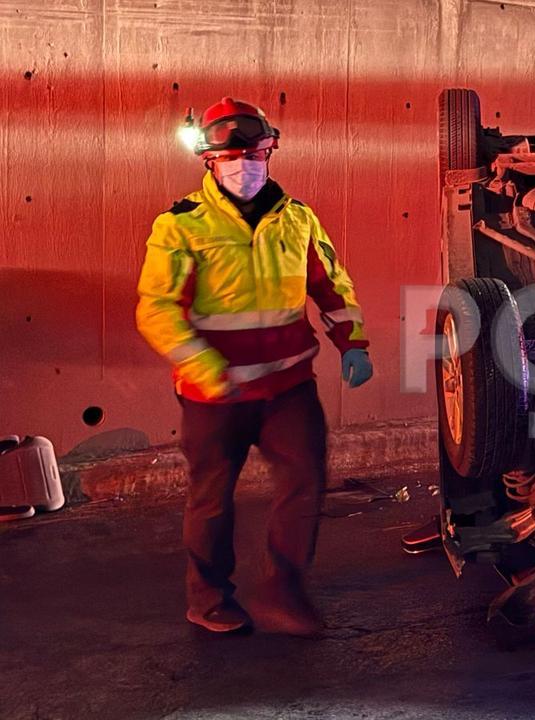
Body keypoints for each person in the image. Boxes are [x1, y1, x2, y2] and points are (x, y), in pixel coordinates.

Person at [135, 97, 373, 636]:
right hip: (213, 395)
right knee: (212, 498)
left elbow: (331, 285)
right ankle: (209, 598)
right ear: (210, 163)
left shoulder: (298, 219)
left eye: (257, 154)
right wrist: (202, 366)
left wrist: (352, 343)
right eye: (233, 157)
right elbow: (156, 308)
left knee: (304, 481)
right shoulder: (180, 226)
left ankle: (284, 591)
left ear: (271, 152)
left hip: (289, 385)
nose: (246, 166)